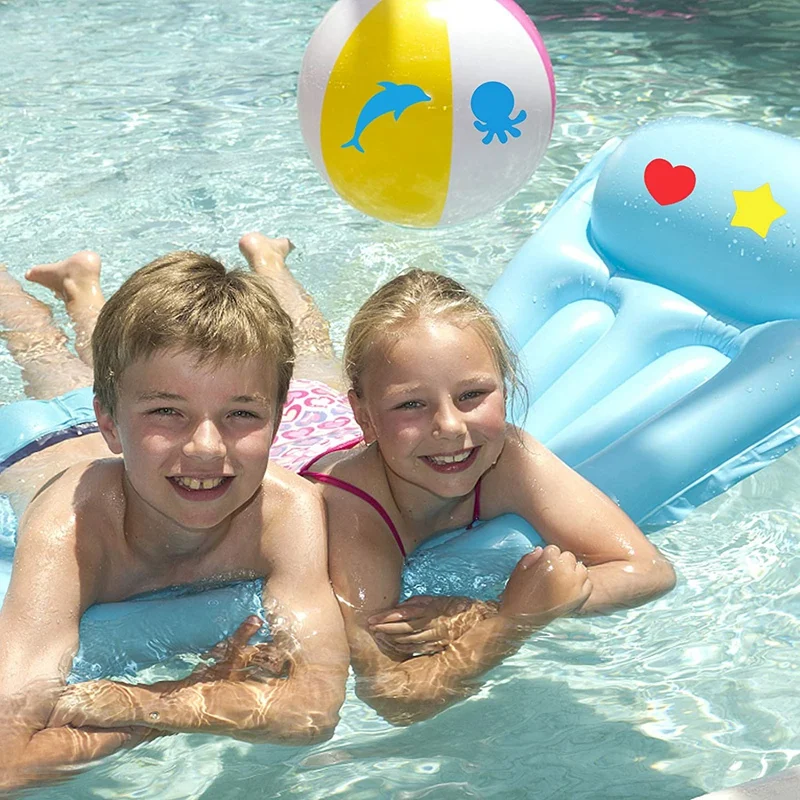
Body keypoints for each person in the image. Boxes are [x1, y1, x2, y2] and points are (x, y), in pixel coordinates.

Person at [13, 233, 677, 730]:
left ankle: (271, 263)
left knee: (309, 354)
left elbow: (649, 569)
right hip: (291, 440)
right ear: (371, 412)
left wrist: (504, 609)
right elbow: (390, 693)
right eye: (413, 403)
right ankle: (79, 296)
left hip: (317, 417)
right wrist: (513, 619)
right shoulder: (351, 516)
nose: (452, 428)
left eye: (474, 395)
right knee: (102, 377)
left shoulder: (509, 453)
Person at [0, 245, 350, 792]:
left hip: (136, 443)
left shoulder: (286, 512)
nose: (207, 447)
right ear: (110, 425)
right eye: (169, 412)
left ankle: (80, 287)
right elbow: (4, 758)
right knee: (41, 354)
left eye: (241, 413)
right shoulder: (70, 529)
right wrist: (206, 694)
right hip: (36, 441)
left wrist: (149, 703)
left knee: (135, 360)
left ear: (276, 422)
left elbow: (315, 710)